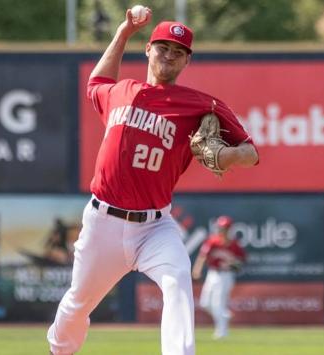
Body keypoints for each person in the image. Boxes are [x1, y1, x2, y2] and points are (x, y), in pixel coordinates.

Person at [47, 6, 258, 355]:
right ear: (148, 50)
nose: (169, 56)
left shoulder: (201, 105)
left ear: (186, 62)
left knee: (178, 282)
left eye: (179, 53)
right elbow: (96, 83)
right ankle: (59, 350)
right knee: (78, 303)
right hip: (103, 223)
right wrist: (124, 32)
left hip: (154, 227)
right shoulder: (122, 91)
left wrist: (225, 155)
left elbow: (250, 152)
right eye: (163, 48)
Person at [192, 216, 246, 340]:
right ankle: (224, 315)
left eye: (225, 228)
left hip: (226, 275)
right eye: (221, 228)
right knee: (205, 303)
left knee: (218, 304)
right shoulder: (212, 241)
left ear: (229, 229)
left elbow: (241, 261)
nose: (222, 230)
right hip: (213, 273)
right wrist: (197, 269)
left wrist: (234, 264)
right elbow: (202, 256)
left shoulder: (234, 245)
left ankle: (222, 332)